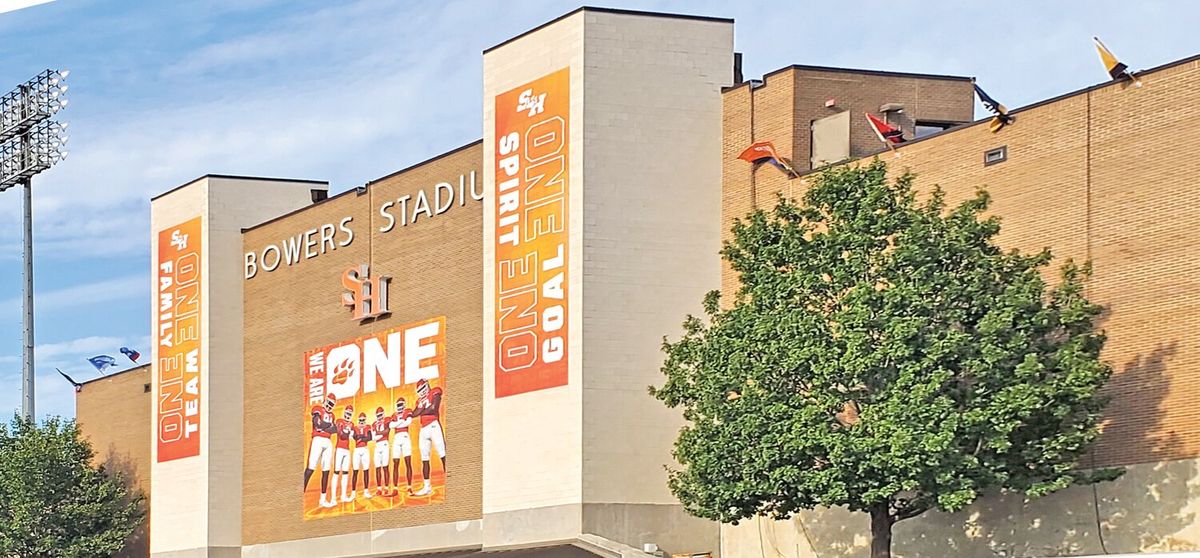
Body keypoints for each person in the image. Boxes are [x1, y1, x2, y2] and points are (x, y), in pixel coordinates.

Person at [411, 379, 445, 497]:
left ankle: (450, 480)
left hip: (434, 425)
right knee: (424, 459)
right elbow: (414, 413)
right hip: (423, 429)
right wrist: (420, 411)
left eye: (422, 388)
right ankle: (427, 487)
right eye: (419, 390)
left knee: (443, 454)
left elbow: (434, 408)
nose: (421, 392)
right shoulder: (419, 401)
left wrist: (421, 411)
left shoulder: (434, 392)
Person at [303, 393, 338, 508]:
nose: (329, 405)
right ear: (325, 401)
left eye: (332, 404)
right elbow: (317, 423)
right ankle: (301, 494)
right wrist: (328, 426)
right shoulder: (318, 408)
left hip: (328, 441)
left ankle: (322, 500)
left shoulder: (332, 415)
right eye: (329, 403)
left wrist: (325, 426)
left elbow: (334, 430)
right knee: (310, 468)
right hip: (317, 440)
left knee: (326, 470)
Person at [390, 396, 415, 495]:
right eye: (398, 405)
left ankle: (409, 487)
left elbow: (408, 422)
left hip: (405, 437)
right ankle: (395, 488)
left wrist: (397, 423)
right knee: (395, 463)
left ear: (404, 404)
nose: (400, 407)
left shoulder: (407, 411)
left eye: (401, 404)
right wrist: (401, 422)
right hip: (396, 438)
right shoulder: (394, 414)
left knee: (408, 462)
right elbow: (391, 426)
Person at [351, 412, 373, 499]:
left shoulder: (368, 426)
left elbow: (370, 437)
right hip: (357, 450)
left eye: (363, 420)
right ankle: (353, 493)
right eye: (360, 420)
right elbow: (355, 437)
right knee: (355, 471)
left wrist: (361, 438)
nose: (362, 422)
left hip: (365, 449)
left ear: (365, 420)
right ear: (358, 420)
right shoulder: (355, 427)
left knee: (366, 470)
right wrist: (363, 437)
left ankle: (366, 491)